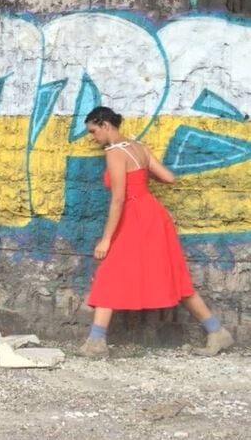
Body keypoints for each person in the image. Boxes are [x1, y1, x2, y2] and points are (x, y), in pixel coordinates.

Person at [78, 106, 234, 358]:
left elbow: (118, 199)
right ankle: (217, 331)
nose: (93, 137)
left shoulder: (115, 153)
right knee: (174, 276)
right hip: (154, 215)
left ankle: (96, 343)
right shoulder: (138, 147)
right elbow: (169, 178)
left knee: (109, 273)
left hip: (134, 219)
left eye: (94, 131)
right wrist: (141, 181)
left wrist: (106, 239)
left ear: (105, 124)